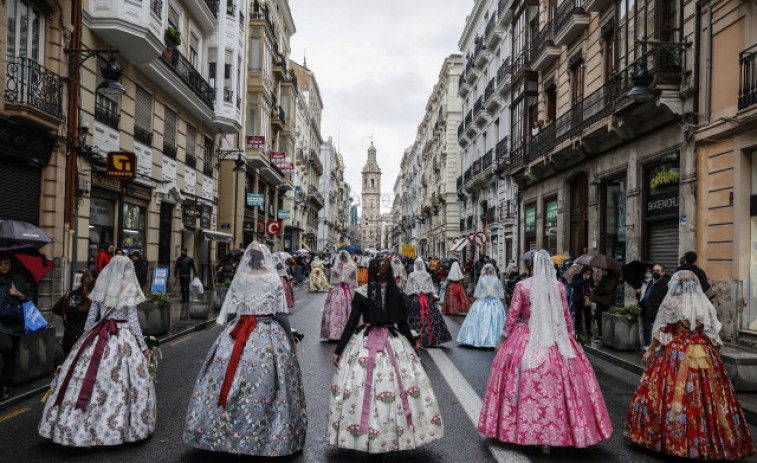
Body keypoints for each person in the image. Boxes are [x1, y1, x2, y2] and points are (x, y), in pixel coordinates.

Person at [479, 250, 613, 452]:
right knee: (564, 380)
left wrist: (502, 340)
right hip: (555, 336)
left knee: (516, 376)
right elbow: (566, 316)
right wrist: (572, 338)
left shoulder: (522, 286)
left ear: (532, 265)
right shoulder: (558, 287)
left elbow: (512, 316)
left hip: (525, 334)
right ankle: (557, 434)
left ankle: (520, 430)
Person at [183, 242, 306, 456]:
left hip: (240, 332)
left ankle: (224, 432)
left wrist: (229, 334)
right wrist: (290, 341)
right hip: (268, 334)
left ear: (247, 260)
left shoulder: (241, 279)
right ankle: (269, 436)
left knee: (231, 381)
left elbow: (232, 312)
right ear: (266, 259)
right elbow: (281, 315)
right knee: (267, 386)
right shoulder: (273, 280)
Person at [626, 270, 755, 460]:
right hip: (703, 352)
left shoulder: (672, 303)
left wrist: (650, 350)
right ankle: (709, 440)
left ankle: (669, 439)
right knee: (707, 397)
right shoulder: (705, 304)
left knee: (669, 393)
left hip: (676, 352)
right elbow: (713, 335)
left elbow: (662, 330)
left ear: (677, 285)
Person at [328, 258, 444, 453]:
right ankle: (397, 431)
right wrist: (413, 343)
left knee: (359, 386)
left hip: (364, 342)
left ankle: (359, 432)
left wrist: (339, 350)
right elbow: (403, 323)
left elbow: (351, 323)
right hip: (394, 342)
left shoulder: (362, 293)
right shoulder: (397, 293)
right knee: (400, 387)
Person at [39, 256, 155, 446]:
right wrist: (143, 348)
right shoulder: (128, 289)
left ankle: (76, 427)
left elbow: (92, 317)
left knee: (89, 380)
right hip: (122, 336)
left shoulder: (102, 287)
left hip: (99, 335)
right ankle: (119, 428)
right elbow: (133, 322)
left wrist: (84, 340)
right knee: (123, 384)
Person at [0, 253, 35, 401]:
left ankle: (7, 384)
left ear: (11, 265)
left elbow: (29, 299)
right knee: (5, 347)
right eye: (0, 263)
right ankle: (2, 386)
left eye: (6, 263)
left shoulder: (19, 280)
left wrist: (18, 293)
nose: (3, 266)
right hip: (1, 324)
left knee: (11, 355)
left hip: (16, 323)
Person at [457, 263, 507, 348]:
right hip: (495, 304)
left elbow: (477, 293)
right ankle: (493, 340)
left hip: (482, 303)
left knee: (479, 322)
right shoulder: (497, 280)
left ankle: (477, 339)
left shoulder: (481, 279)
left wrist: (473, 302)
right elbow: (501, 294)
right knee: (494, 323)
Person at [405, 257, 452, 347]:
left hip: (415, 300)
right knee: (431, 318)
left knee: (413, 318)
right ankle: (431, 339)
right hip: (427, 300)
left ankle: (415, 339)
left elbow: (408, 289)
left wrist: (413, 294)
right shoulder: (427, 275)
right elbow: (431, 289)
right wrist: (431, 296)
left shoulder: (411, 275)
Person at [52, 269, 97, 357]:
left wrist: (68, 314)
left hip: (70, 336)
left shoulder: (69, 295)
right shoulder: (97, 299)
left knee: (68, 366)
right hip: (89, 338)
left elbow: (55, 309)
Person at [320, 250, 358, 341]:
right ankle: (347, 332)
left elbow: (332, 282)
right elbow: (354, 282)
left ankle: (334, 334)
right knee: (347, 312)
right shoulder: (352, 267)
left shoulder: (335, 267)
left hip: (336, 293)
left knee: (334, 313)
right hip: (347, 293)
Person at [639, 264, 670, 348]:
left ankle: (652, 349)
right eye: (654, 271)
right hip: (646, 310)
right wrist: (641, 303)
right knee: (647, 330)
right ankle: (647, 346)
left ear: (663, 272)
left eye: (657, 271)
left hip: (656, 312)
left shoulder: (666, 283)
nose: (655, 272)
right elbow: (647, 295)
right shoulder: (651, 282)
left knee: (655, 333)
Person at [592, 270, 620, 339]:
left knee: (605, 319)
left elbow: (606, 289)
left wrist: (596, 289)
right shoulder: (605, 277)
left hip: (607, 302)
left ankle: (605, 335)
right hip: (601, 301)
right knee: (599, 318)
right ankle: (600, 334)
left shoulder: (613, 279)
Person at [571, 266, 595, 337]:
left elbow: (592, 285)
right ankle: (578, 329)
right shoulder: (576, 276)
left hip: (587, 298)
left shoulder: (590, 278)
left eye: (589, 274)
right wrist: (583, 279)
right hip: (578, 298)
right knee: (578, 314)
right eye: (587, 273)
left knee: (588, 315)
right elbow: (574, 285)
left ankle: (588, 329)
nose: (588, 275)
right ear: (583, 272)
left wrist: (592, 288)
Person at [635, 265, 654, 350]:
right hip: (642, 306)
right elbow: (639, 296)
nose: (648, 273)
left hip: (649, 306)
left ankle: (648, 344)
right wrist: (638, 292)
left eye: (650, 272)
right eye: (647, 272)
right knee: (643, 326)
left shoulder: (653, 283)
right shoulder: (642, 282)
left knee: (648, 326)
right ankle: (644, 344)